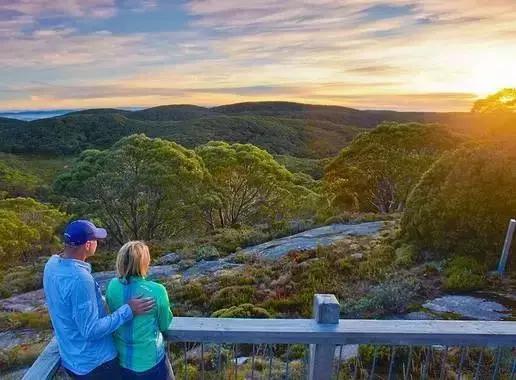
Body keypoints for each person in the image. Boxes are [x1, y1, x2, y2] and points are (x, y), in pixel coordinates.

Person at [43, 220, 155, 379]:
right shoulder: (80, 279)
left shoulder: (52, 265)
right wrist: (128, 310)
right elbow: (91, 330)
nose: (98, 243)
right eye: (96, 239)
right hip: (96, 364)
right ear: (88, 245)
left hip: (71, 358)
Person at [106, 241, 173, 380]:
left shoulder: (112, 286)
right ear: (144, 262)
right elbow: (165, 324)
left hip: (122, 361)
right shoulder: (157, 291)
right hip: (151, 361)